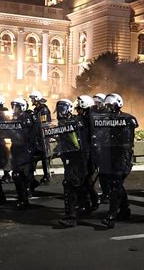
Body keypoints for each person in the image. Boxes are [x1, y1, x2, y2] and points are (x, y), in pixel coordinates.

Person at [92, 93, 138, 228]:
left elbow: (126, 138)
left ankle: (111, 215)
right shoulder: (103, 120)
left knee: (115, 185)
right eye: (107, 106)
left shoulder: (127, 119)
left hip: (121, 157)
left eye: (111, 106)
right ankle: (125, 210)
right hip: (108, 155)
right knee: (116, 185)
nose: (108, 109)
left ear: (118, 105)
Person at [55, 99, 88, 227]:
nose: (59, 113)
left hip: (77, 158)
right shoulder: (65, 122)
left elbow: (77, 142)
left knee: (70, 185)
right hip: (71, 157)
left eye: (61, 110)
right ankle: (86, 206)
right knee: (80, 184)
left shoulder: (75, 122)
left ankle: (71, 217)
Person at [75, 95, 100, 214]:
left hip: (88, 154)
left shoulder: (90, 120)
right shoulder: (84, 118)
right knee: (86, 180)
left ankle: (85, 203)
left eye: (79, 108)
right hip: (84, 153)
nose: (77, 110)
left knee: (83, 179)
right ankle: (94, 200)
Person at [9, 98, 36, 210]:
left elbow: (28, 134)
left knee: (19, 175)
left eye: (17, 106)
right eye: (13, 106)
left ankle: (24, 199)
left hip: (24, 149)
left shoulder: (26, 118)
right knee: (17, 175)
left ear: (22, 107)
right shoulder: (15, 118)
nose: (14, 109)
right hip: (16, 148)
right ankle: (23, 197)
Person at [29, 90, 52, 185]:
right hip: (37, 137)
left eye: (33, 98)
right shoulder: (37, 109)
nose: (32, 100)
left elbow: (44, 124)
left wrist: (43, 138)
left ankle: (47, 176)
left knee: (44, 157)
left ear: (37, 99)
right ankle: (31, 178)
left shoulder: (44, 110)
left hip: (43, 137)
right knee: (35, 157)